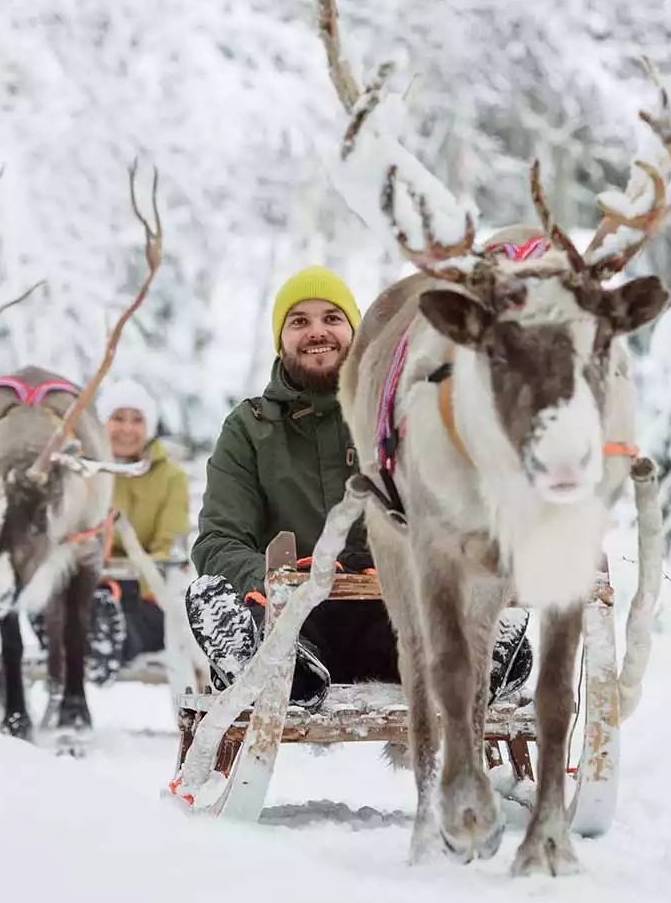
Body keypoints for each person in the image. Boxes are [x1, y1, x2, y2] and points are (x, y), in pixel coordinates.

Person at [184, 265, 533, 710]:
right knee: (209, 595)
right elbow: (220, 539)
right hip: (294, 626)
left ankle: (479, 657)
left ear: (354, 332)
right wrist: (273, 582)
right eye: (299, 321)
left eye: (332, 319)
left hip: (392, 623)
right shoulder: (248, 430)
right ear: (281, 338)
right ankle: (280, 670)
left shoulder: (399, 415)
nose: (317, 332)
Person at [86, 377, 190, 675]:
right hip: (89, 586)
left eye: (137, 419)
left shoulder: (171, 478)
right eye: (117, 418)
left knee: (135, 616)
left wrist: (126, 583)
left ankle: (106, 640)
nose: (127, 429)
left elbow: (168, 546)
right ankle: (96, 632)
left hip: (145, 592)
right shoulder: (86, 472)